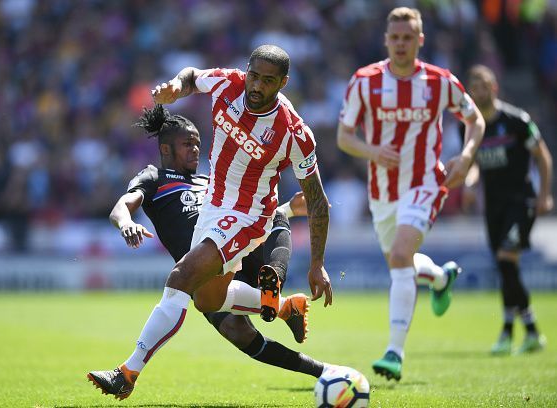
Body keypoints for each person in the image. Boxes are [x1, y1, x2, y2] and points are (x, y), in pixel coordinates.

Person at [88, 44, 332, 399]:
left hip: (249, 214)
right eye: (254, 76)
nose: (256, 86)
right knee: (207, 301)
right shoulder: (227, 84)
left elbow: (318, 201)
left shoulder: (293, 132)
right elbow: (191, 76)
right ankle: (284, 306)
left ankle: (127, 372)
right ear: (246, 71)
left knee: (181, 278)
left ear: (283, 82)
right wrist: (175, 87)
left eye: (268, 81)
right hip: (214, 207)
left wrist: (318, 264)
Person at [337, 7, 485, 381]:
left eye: (408, 37)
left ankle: (394, 353)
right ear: (386, 40)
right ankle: (438, 277)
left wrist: (466, 157)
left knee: (401, 255)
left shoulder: (440, 82)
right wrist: (373, 151)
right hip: (382, 190)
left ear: (420, 40)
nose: (401, 44)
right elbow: (344, 137)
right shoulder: (364, 82)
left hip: (425, 181)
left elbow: (475, 119)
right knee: (400, 263)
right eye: (395, 37)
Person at [463, 65, 553, 355]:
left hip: (521, 200)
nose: (479, 90)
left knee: (505, 258)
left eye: (484, 85)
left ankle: (507, 331)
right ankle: (529, 332)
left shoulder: (517, 120)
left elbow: (543, 156)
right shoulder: (471, 127)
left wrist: (543, 196)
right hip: (494, 205)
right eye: (474, 86)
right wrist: (469, 183)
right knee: (506, 267)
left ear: (494, 87)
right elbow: (474, 163)